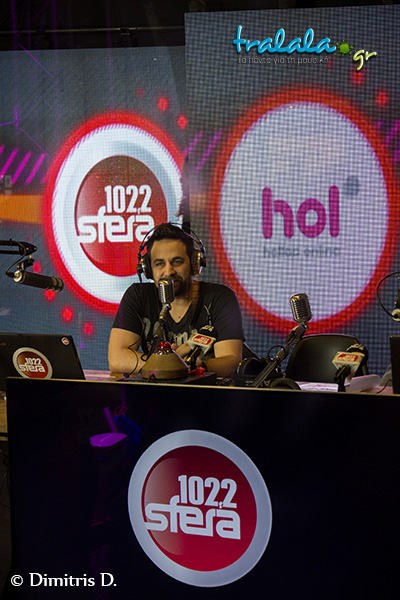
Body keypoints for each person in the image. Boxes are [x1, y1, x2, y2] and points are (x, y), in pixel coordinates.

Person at [108, 223, 244, 378]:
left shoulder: (220, 297)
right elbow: (117, 358)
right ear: (148, 269)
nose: (169, 271)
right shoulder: (138, 295)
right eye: (160, 264)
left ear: (194, 264)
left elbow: (231, 361)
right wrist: (171, 365)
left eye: (177, 262)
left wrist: (194, 366)